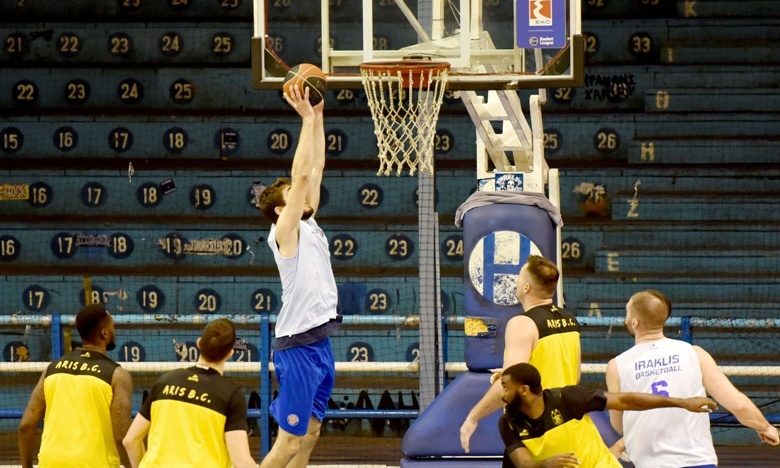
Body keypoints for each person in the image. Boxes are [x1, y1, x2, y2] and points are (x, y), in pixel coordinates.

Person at [257, 85, 340, 468]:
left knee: (311, 434)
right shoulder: (284, 232)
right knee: (289, 442)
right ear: (279, 209)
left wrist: (319, 117)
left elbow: (315, 169)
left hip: (319, 341)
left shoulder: (310, 221)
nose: (304, 194)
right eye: (294, 193)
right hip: (297, 348)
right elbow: (302, 174)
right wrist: (305, 119)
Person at [606, 290, 779, 468]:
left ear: (634, 322)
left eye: (627, 313)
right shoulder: (694, 353)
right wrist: (765, 427)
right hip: (699, 462)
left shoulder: (617, 366)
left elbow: (619, 425)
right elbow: (738, 404)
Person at [461, 255, 581, 453]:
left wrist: (473, 417)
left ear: (526, 288)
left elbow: (510, 387)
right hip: (565, 425)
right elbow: (574, 376)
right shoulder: (570, 320)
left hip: (535, 431)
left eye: (519, 276)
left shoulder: (522, 324)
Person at [499, 362, 718, 468]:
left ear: (524, 390)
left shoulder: (567, 399)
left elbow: (624, 400)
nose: (502, 394)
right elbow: (523, 463)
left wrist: (682, 402)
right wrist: (546, 463)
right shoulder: (508, 422)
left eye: (506, 387)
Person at [122, 318, 257, 468]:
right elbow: (241, 462)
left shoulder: (164, 381)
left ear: (199, 343)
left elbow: (130, 440)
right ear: (230, 353)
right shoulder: (231, 395)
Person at [18, 303, 133, 468]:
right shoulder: (117, 375)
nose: (114, 331)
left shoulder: (52, 369)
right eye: (112, 327)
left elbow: (26, 425)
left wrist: (26, 467)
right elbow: (121, 436)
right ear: (104, 332)